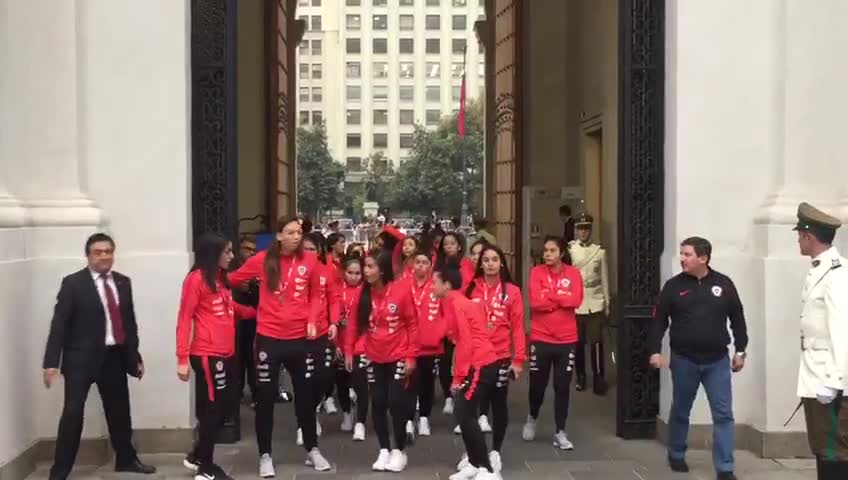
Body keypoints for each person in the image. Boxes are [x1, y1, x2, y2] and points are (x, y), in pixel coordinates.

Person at [42, 233, 156, 480]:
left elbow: (129, 324)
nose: (104, 256)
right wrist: (52, 362)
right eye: (98, 252)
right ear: (88, 255)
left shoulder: (123, 282)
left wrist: (134, 356)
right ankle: (60, 471)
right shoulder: (73, 283)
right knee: (73, 413)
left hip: (114, 357)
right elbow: (59, 325)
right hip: (80, 360)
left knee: (119, 411)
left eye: (108, 251)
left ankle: (126, 459)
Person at [228, 217, 332, 475]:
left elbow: (318, 296)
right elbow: (231, 279)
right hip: (269, 339)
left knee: (306, 396)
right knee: (264, 398)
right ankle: (265, 455)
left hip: (300, 340)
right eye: (291, 232)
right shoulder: (262, 260)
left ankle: (312, 449)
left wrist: (311, 320)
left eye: (299, 232)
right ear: (278, 236)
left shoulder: (310, 261)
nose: (297, 237)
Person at [648, 236, 748, 480]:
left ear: (703, 258)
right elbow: (659, 320)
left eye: (687, 254)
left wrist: (741, 350)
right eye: (681, 254)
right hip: (684, 360)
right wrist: (654, 351)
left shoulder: (724, 284)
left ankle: (725, 467)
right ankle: (676, 452)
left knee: (723, 414)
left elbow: (738, 319)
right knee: (681, 409)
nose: (682, 258)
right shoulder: (673, 286)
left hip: (717, 362)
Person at [176, 233, 257, 480]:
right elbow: (184, 318)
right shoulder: (196, 280)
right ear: (214, 254)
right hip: (208, 355)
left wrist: (258, 312)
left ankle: (198, 456)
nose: (232, 256)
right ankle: (206, 468)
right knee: (214, 409)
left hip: (225, 352)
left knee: (225, 406)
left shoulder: (220, 280)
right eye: (228, 252)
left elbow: (229, 309)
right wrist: (181, 358)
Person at [344, 252, 418, 472]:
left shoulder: (400, 291)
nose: (365, 271)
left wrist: (411, 356)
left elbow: (413, 324)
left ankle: (399, 450)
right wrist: (349, 350)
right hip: (373, 356)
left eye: (370, 266)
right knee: (377, 402)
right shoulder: (362, 294)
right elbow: (353, 325)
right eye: (364, 267)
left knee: (396, 402)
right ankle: (384, 449)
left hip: (398, 354)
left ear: (382, 270)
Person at [792, 202, 848, 479]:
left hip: (829, 378)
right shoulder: (819, 269)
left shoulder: (837, 274)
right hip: (815, 374)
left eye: (799, 235)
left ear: (809, 236)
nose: (798, 240)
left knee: (834, 451)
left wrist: (835, 380)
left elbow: (843, 330)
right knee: (822, 448)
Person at [432, 263, 501, 480]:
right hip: (476, 363)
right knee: (464, 415)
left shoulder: (457, 303)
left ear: (446, 284)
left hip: (480, 364)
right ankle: (473, 463)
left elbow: (466, 343)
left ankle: (488, 470)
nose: (432, 285)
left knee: (466, 415)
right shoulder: (451, 302)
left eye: (435, 282)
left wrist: (458, 377)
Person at [463, 244, 525, 471]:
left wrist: (518, 360)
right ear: (480, 264)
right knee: (469, 409)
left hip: (500, 356)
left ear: (502, 263)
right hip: (474, 358)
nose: (489, 264)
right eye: (485, 260)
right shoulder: (471, 290)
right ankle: (471, 454)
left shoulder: (512, 292)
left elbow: (518, 328)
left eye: (494, 260)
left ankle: (495, 451)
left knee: (498, 405)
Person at [522, 235, 583, 450]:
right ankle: (533, 416)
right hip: (541, 338)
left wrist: (552, 297)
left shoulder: (573, 274)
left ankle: (560, 431)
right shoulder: (536, 272)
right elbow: (536, 303)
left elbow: (576, 300)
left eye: (552, 250)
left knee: (562, 386)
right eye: (545, 250)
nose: (547, 254)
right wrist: (560, 300)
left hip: (567, 340)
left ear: (562, 253)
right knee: (537, 385)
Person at [568, 213, 610, 395]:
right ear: (576, 230)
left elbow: (604, 278)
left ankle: (599, 377)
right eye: (580, 228)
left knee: (597, 342)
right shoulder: (570, 250)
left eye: (586, 229)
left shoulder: (599, 251)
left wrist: (607, 302)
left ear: (590, 230)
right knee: (577, 343)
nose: (583, 232)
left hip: (595, 300)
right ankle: (581, 376)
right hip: (577, 302)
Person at [408, 246, 446, 438]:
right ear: (412, 265)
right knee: (408, 382)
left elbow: (446, 315)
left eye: (425, 263)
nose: (421, 266)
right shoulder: (405, 284)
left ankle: (424, 417)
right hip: (407, 345)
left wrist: (438, 333)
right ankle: (408, 419)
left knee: (427, 383)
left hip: (431, 346)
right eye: (418, 262)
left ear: (431, 266)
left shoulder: (436, 287)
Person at [335, 257, 367, 439]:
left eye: (357, 273)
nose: (354, 277)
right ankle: (347, 413)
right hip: (340, 343)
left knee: (361, 383)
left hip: (360, 345)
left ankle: (361, 422)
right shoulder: (337, 291)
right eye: (350, 273)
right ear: (343, 273)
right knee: (341, 382)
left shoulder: (365, 293)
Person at [233, 235, 260, 407]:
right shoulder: (232, 267)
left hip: (253, 317)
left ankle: (255, 393)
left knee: (252, 356)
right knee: (237, 355)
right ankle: (236, 392)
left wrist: (252, 286)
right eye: (247, 249)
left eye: (253, 250)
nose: (250, 253)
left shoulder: (257, 267)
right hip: (234, 318)